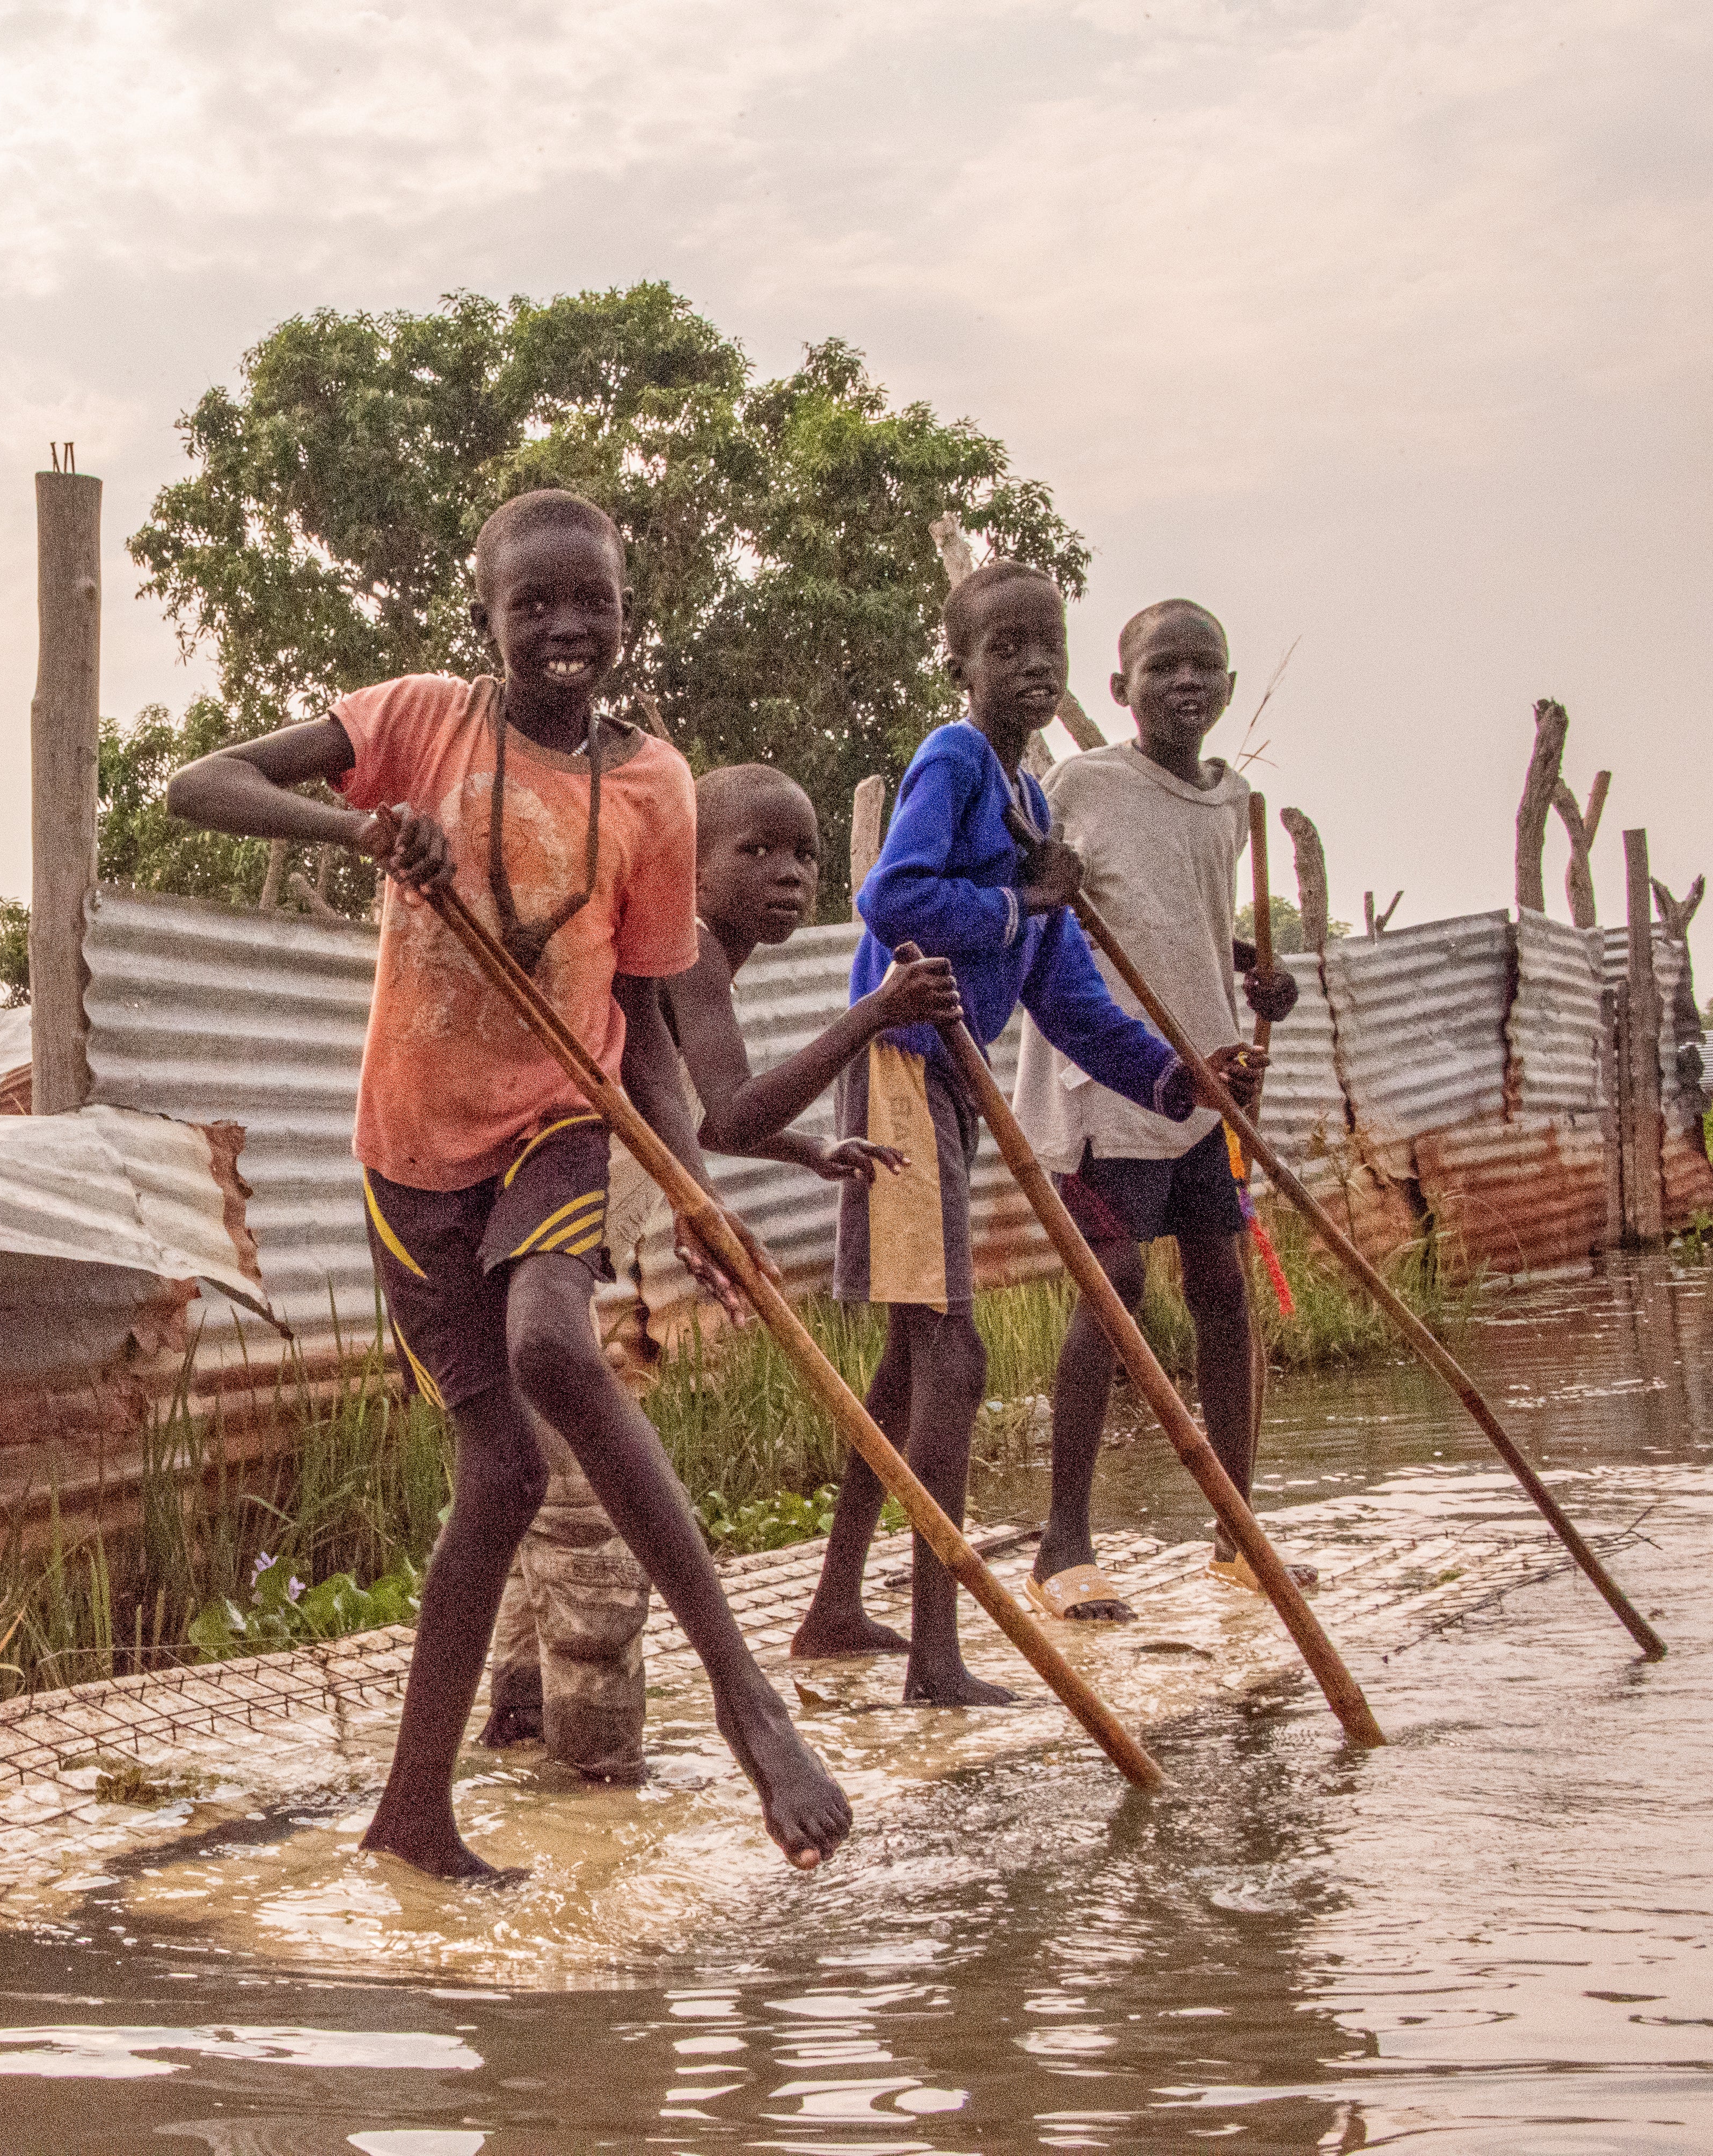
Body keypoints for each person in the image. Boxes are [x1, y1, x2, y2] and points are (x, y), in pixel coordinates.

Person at [162, 487, 854, 1878]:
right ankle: (413, 1815)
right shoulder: (419, 720)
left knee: (552, 1343)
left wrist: (697, 1191)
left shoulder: (654, 787)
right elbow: (199, 787)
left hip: (561, 1122)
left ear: (623, 612)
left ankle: (748, 1698)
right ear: (483, 617)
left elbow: (653, 1021)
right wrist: (362, 832)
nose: (564, 627)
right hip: (408, 1156)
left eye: (587, 600)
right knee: (498, 1477)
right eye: (530, 603)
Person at [782, 560, 1263, 1706]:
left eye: (1045, 643)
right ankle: (937, 1656)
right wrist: (1014, 902)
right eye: (1004, 648)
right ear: (960, 667)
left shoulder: (1031, 805)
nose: (1031, 665)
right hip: (899, 1066)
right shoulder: (954, 762)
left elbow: (1062, 996)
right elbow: (891, 899)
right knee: (952, 1355)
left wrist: (1173, 1077)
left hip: (949, 1077)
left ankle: (835, 1606)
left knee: (910, 1362)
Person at [478, 763, 961, 1780]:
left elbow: (700, 1116)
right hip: (571, 1208)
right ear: (690, 870)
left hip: (577, 1206)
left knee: (550, 1464)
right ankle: (592, 1762)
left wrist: (807, 1155)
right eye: (758, 852)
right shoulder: (687, 952)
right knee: (590, 1490)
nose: (789, 876)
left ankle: (522, 1717)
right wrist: (873, 1014)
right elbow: (731, 1110)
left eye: (805, 856)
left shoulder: (694, 957)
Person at [1015, 600, 1301, 1620]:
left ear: (1226, 689)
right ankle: (1062, 1551)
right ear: (1121, 689)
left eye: (1205, 668)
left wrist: (1257, 981)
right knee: (1118, 1282)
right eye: (1164, 667)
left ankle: (1237, 1534)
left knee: (1223, 1287)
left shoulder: (1236, 804)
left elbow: (1178, 923)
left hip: (1207, 1084)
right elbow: (1055, 907)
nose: (1188, 683)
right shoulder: (1079, 785)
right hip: (1108, 1084)